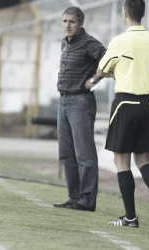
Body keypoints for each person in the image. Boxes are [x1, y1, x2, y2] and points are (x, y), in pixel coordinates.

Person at [86, 0, 149, 230]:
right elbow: (144, 69)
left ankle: (130, 217)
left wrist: (94, 80)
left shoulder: (120, 41)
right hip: (148, 103)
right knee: (143, 159)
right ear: (143, 13)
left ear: (124, 13)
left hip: (125, 103)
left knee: (122, 161)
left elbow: (103, 68)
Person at [53, 7, 106, 212]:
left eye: (72, 22)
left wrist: (94, 80)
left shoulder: (89, 43)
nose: (67, 25)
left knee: (84, 154)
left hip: (81, 102)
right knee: (66, 153)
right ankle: (74, 197)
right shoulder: (64, 43)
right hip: (63, 101)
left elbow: (109, 60)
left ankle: (87, 200)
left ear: (81, 23)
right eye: (64, 21)